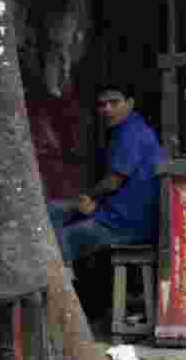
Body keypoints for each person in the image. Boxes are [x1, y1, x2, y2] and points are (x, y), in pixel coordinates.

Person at [47, 85, 163, 263]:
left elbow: (114, 182)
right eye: (102, 104)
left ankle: (61, 286)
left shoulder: (131, 132)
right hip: (114, 215)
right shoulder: (126, 128)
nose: (107, 109)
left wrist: (88, 197)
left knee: (56, 241)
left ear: (130, 103)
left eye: (114, 102)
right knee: (52, 211)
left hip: (126, 225)